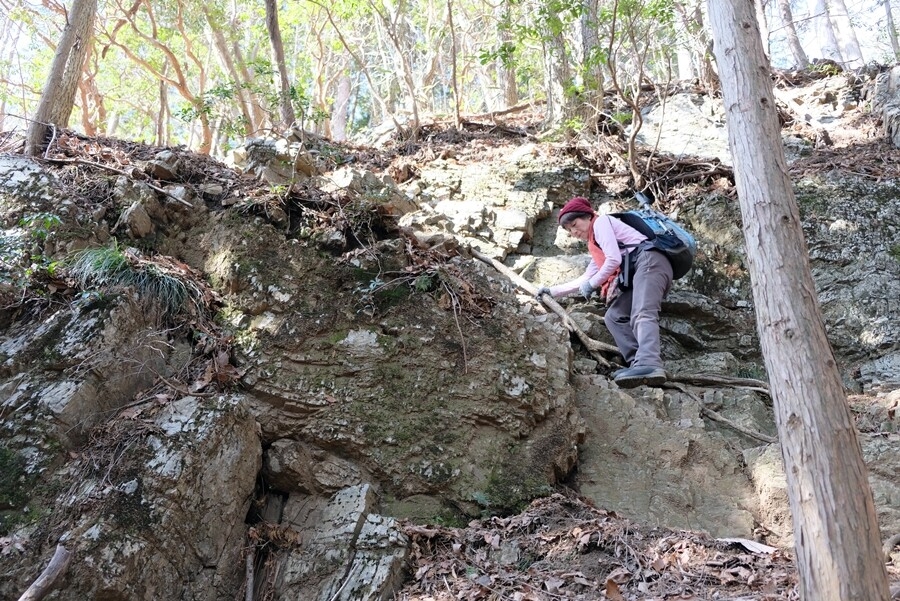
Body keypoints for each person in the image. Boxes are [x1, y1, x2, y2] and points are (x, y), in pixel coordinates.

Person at [536, 196, 673, 388]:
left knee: (642, 311)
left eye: (574, 225)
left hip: (650, 261)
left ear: (587, 216)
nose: (574, 232)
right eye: (569, 230)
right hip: (640, 269)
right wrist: (552, 291)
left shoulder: (601, 223)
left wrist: (593, 284)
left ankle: (649, 363)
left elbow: (614, 260)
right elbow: (587, 277)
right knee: (614, 317)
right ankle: (637, 363)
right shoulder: (595, 243)